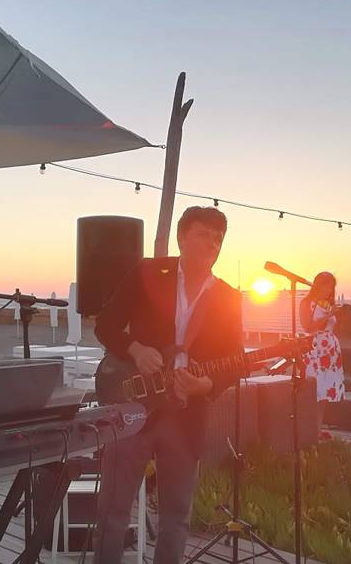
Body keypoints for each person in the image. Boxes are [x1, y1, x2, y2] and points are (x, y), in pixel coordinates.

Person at [93, 206, 243, 564]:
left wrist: (204, 384)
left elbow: (234, 361)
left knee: (176, 517)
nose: (212, 244)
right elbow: (106, 324)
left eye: (218, 238)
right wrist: (136, 349)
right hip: (133, 407)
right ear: (182, 237)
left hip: (186, 415)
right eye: (204, 234)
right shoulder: (147, 272)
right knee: (113, 512)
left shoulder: (227, 297)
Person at [299, 271, 345, 439]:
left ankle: (317, 430)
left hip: (330, 350)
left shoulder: (328, 304)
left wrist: (339, 315)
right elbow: (308, 327)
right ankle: (309, 430)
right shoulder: (307, 303)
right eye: (326, 286)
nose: (329, 290)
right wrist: (329, 316)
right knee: (314, 390)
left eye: (331, 287)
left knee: (325, 393)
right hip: (314, 349)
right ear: (318, 285)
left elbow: (332, 326)